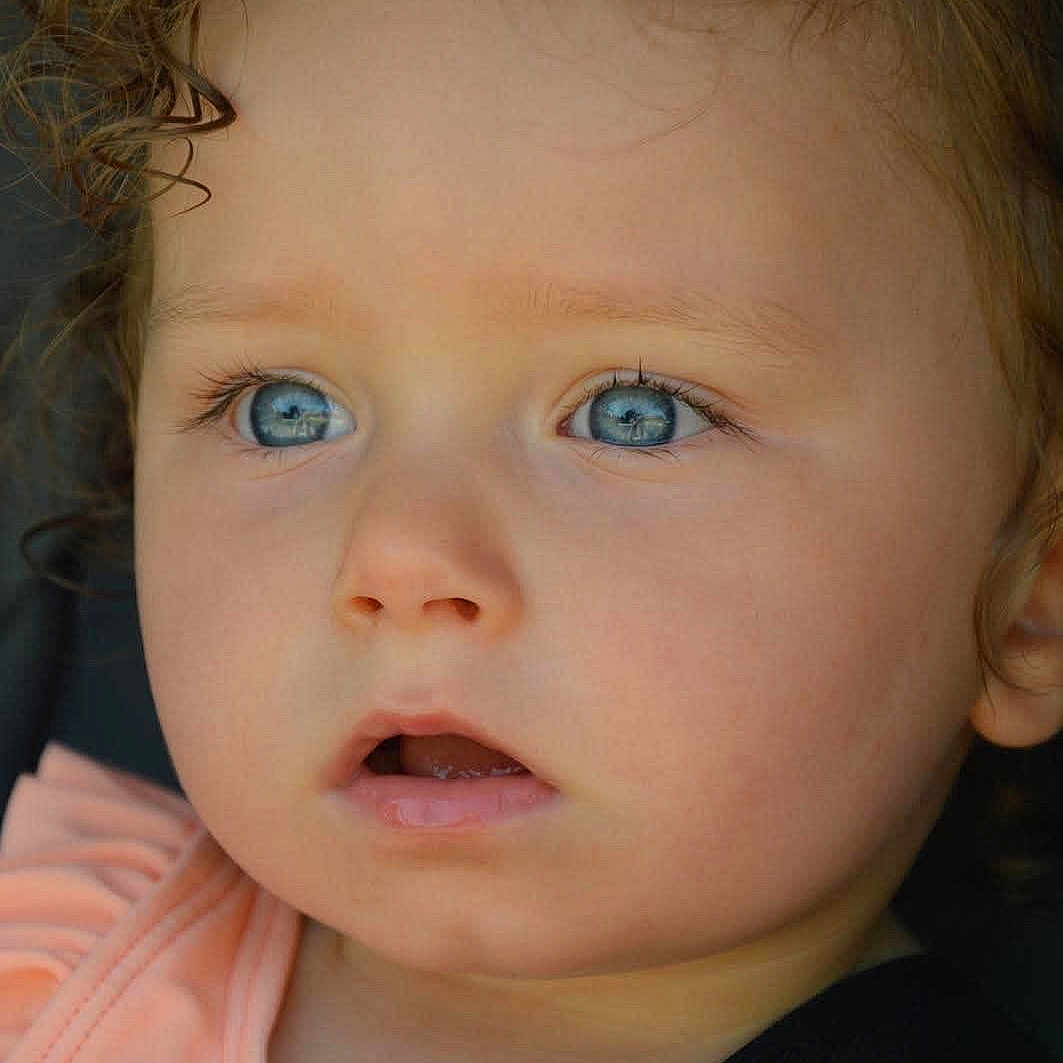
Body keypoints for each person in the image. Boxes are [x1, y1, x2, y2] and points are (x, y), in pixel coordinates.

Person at [1, 0, 1061, 1060]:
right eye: (284, 407)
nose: (400, 555)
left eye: (635, 414)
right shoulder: (54, 966)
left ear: (1031, 591)